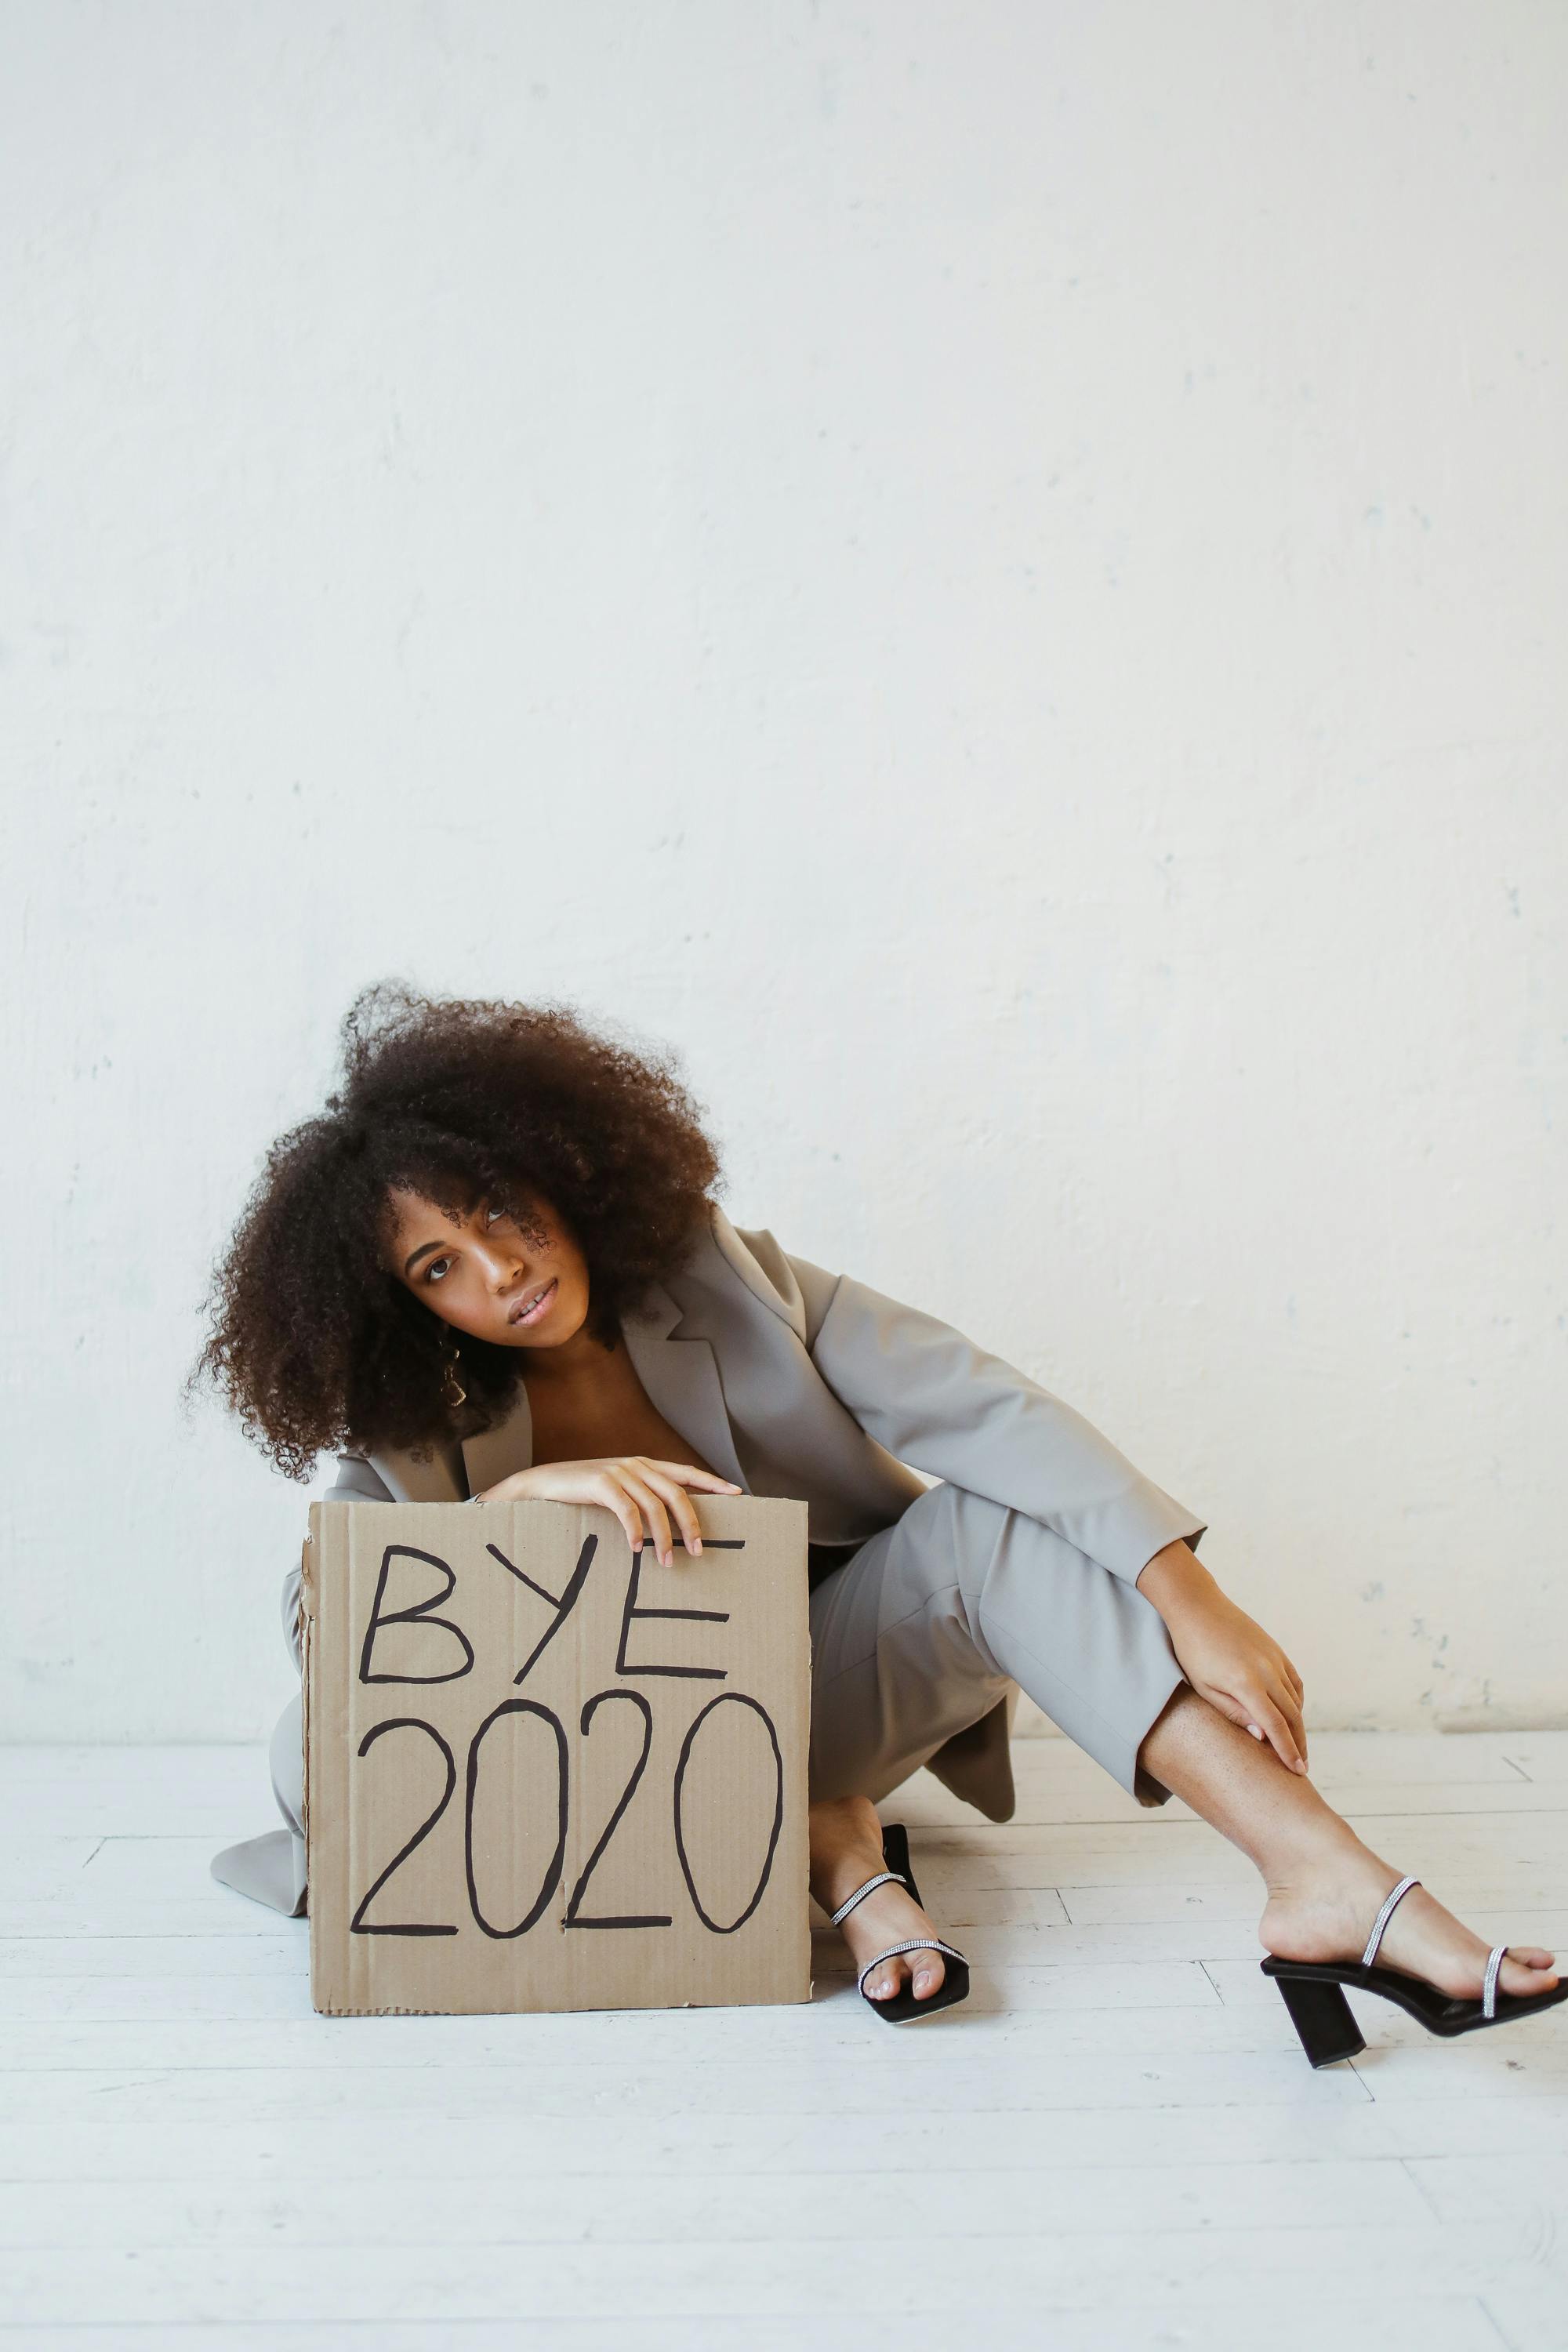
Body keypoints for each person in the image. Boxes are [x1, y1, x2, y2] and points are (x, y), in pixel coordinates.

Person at [192, 982, 1562, 2049]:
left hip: (789, 1699)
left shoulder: (731, 1284)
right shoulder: (412, 1414)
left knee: (992, 1530)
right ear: (405, 1305)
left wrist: (1187, 1595)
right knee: (305, 1747)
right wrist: (528, 1502)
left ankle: (1326, 1886)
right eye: (442, 1266)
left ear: (558, 1168)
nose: (499, 1272)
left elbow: (984, 1409)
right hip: (570, 1783)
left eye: (500, 1213)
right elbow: (337, 1632)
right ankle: (837, 1846)